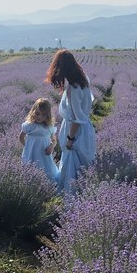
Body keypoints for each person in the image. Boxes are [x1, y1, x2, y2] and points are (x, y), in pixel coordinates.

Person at [45, 49, 96, 194]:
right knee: (83, 165)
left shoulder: (73, 88)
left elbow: (76, 118)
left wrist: (70, 138)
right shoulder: (83, 79)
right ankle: (86, 195)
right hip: (86, 128)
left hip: (76, 131)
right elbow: (86, 106)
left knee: (72, 165)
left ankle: (72, 198)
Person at [19, 98, 59, 182]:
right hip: (31, 153)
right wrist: (27, 147)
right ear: (33, 112)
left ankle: (46, 185)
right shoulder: (29, 125)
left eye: (43, 115)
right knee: (30, 168)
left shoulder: (49, 127)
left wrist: (51, 146)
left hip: (44, 154)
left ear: (47, 116)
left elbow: (54, 140)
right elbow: (21, 137)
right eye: (37, 113)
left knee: (46, 169)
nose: (39, 117)